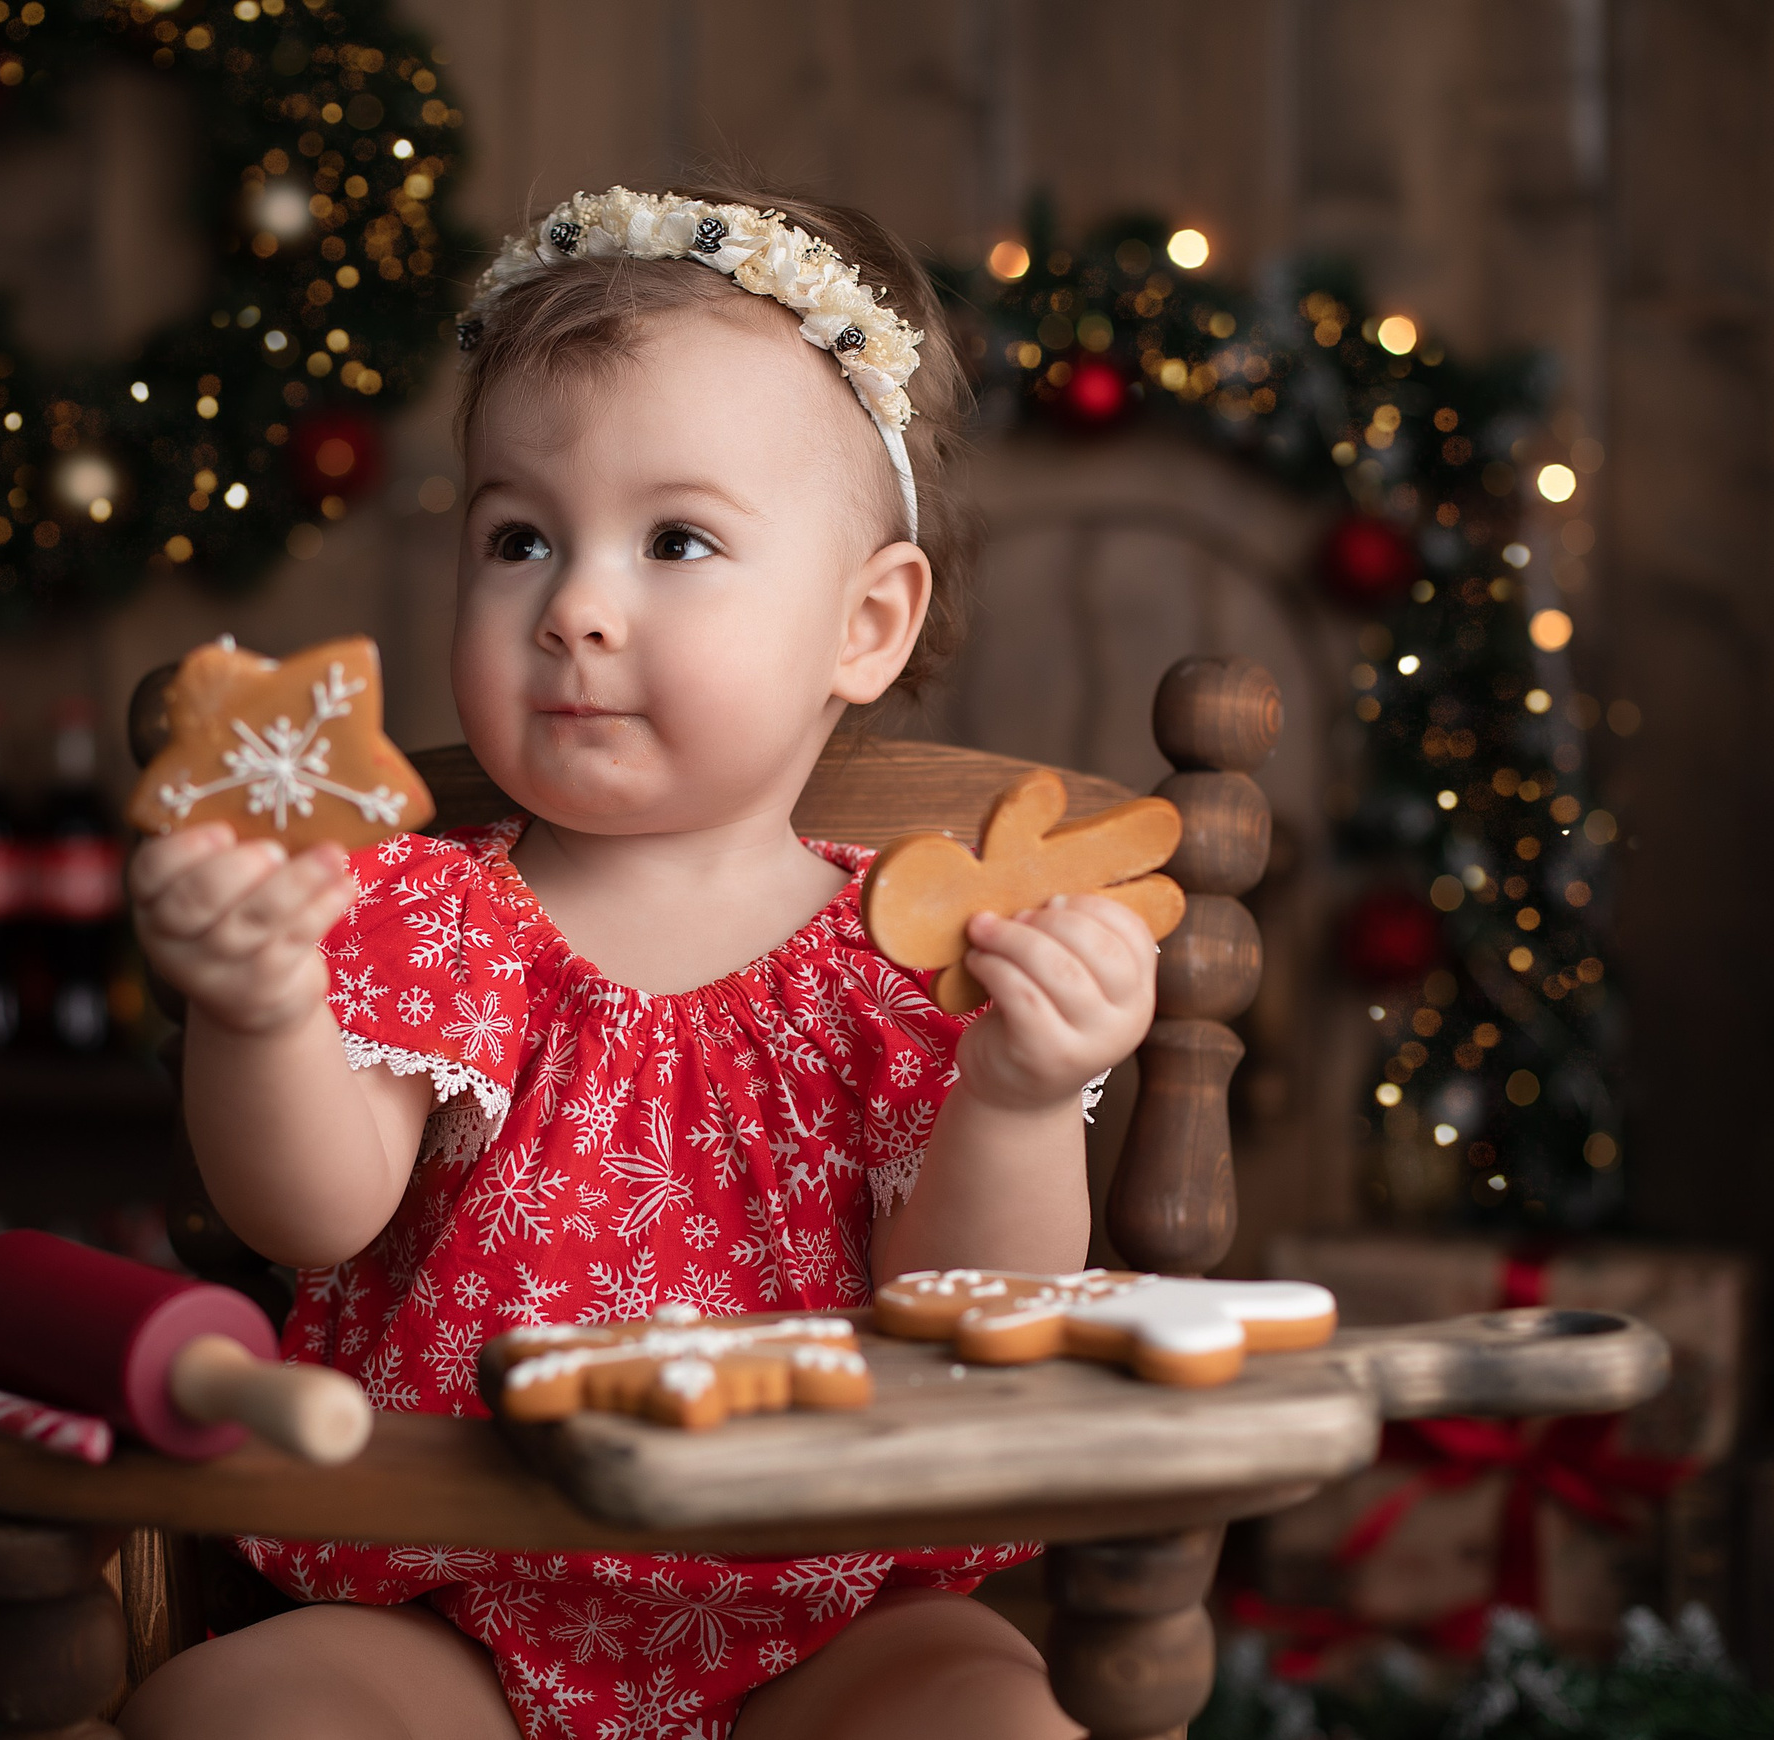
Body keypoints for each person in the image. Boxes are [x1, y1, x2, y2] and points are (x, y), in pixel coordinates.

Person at [123, 184, 1158, 1740]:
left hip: (828, 1610)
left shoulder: (922, 951)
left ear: (863, 626)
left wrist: (1018, 1092)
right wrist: (261, 1003)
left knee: (984, 1719)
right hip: (446, 1590)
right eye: (520, 537)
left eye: (677, 540)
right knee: (243, 1717)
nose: (577, 611)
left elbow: (970, 1314)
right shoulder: (422, 911)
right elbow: (307, 1209)